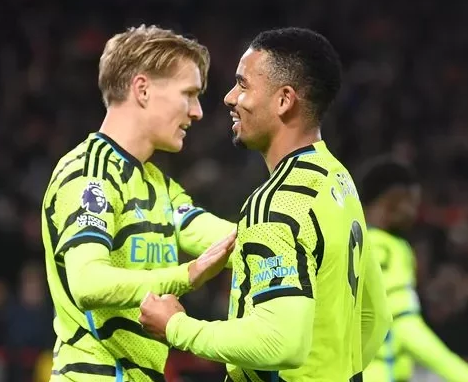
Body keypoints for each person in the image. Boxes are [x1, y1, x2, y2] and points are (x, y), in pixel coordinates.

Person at [139, 27, 391, 381]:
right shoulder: (337, 180)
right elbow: (375, 318)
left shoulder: (276, 204)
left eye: (242, 85)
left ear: (284, 100)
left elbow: (280, 343)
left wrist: (176, 327)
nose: (229, 98)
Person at [41, 24, 236, 381]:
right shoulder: (90, 174)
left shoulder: (158, 185)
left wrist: (292, 239)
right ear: (142, 89)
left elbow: (221, 239)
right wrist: (185, 276)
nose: (197, 112)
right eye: (188, 94)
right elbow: (88, 282)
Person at [357, 157, 468, 382]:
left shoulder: (352, 240)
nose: (414, 212)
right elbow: (404, 325)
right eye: (411, 203)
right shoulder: (387, 248)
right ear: (392, 201)